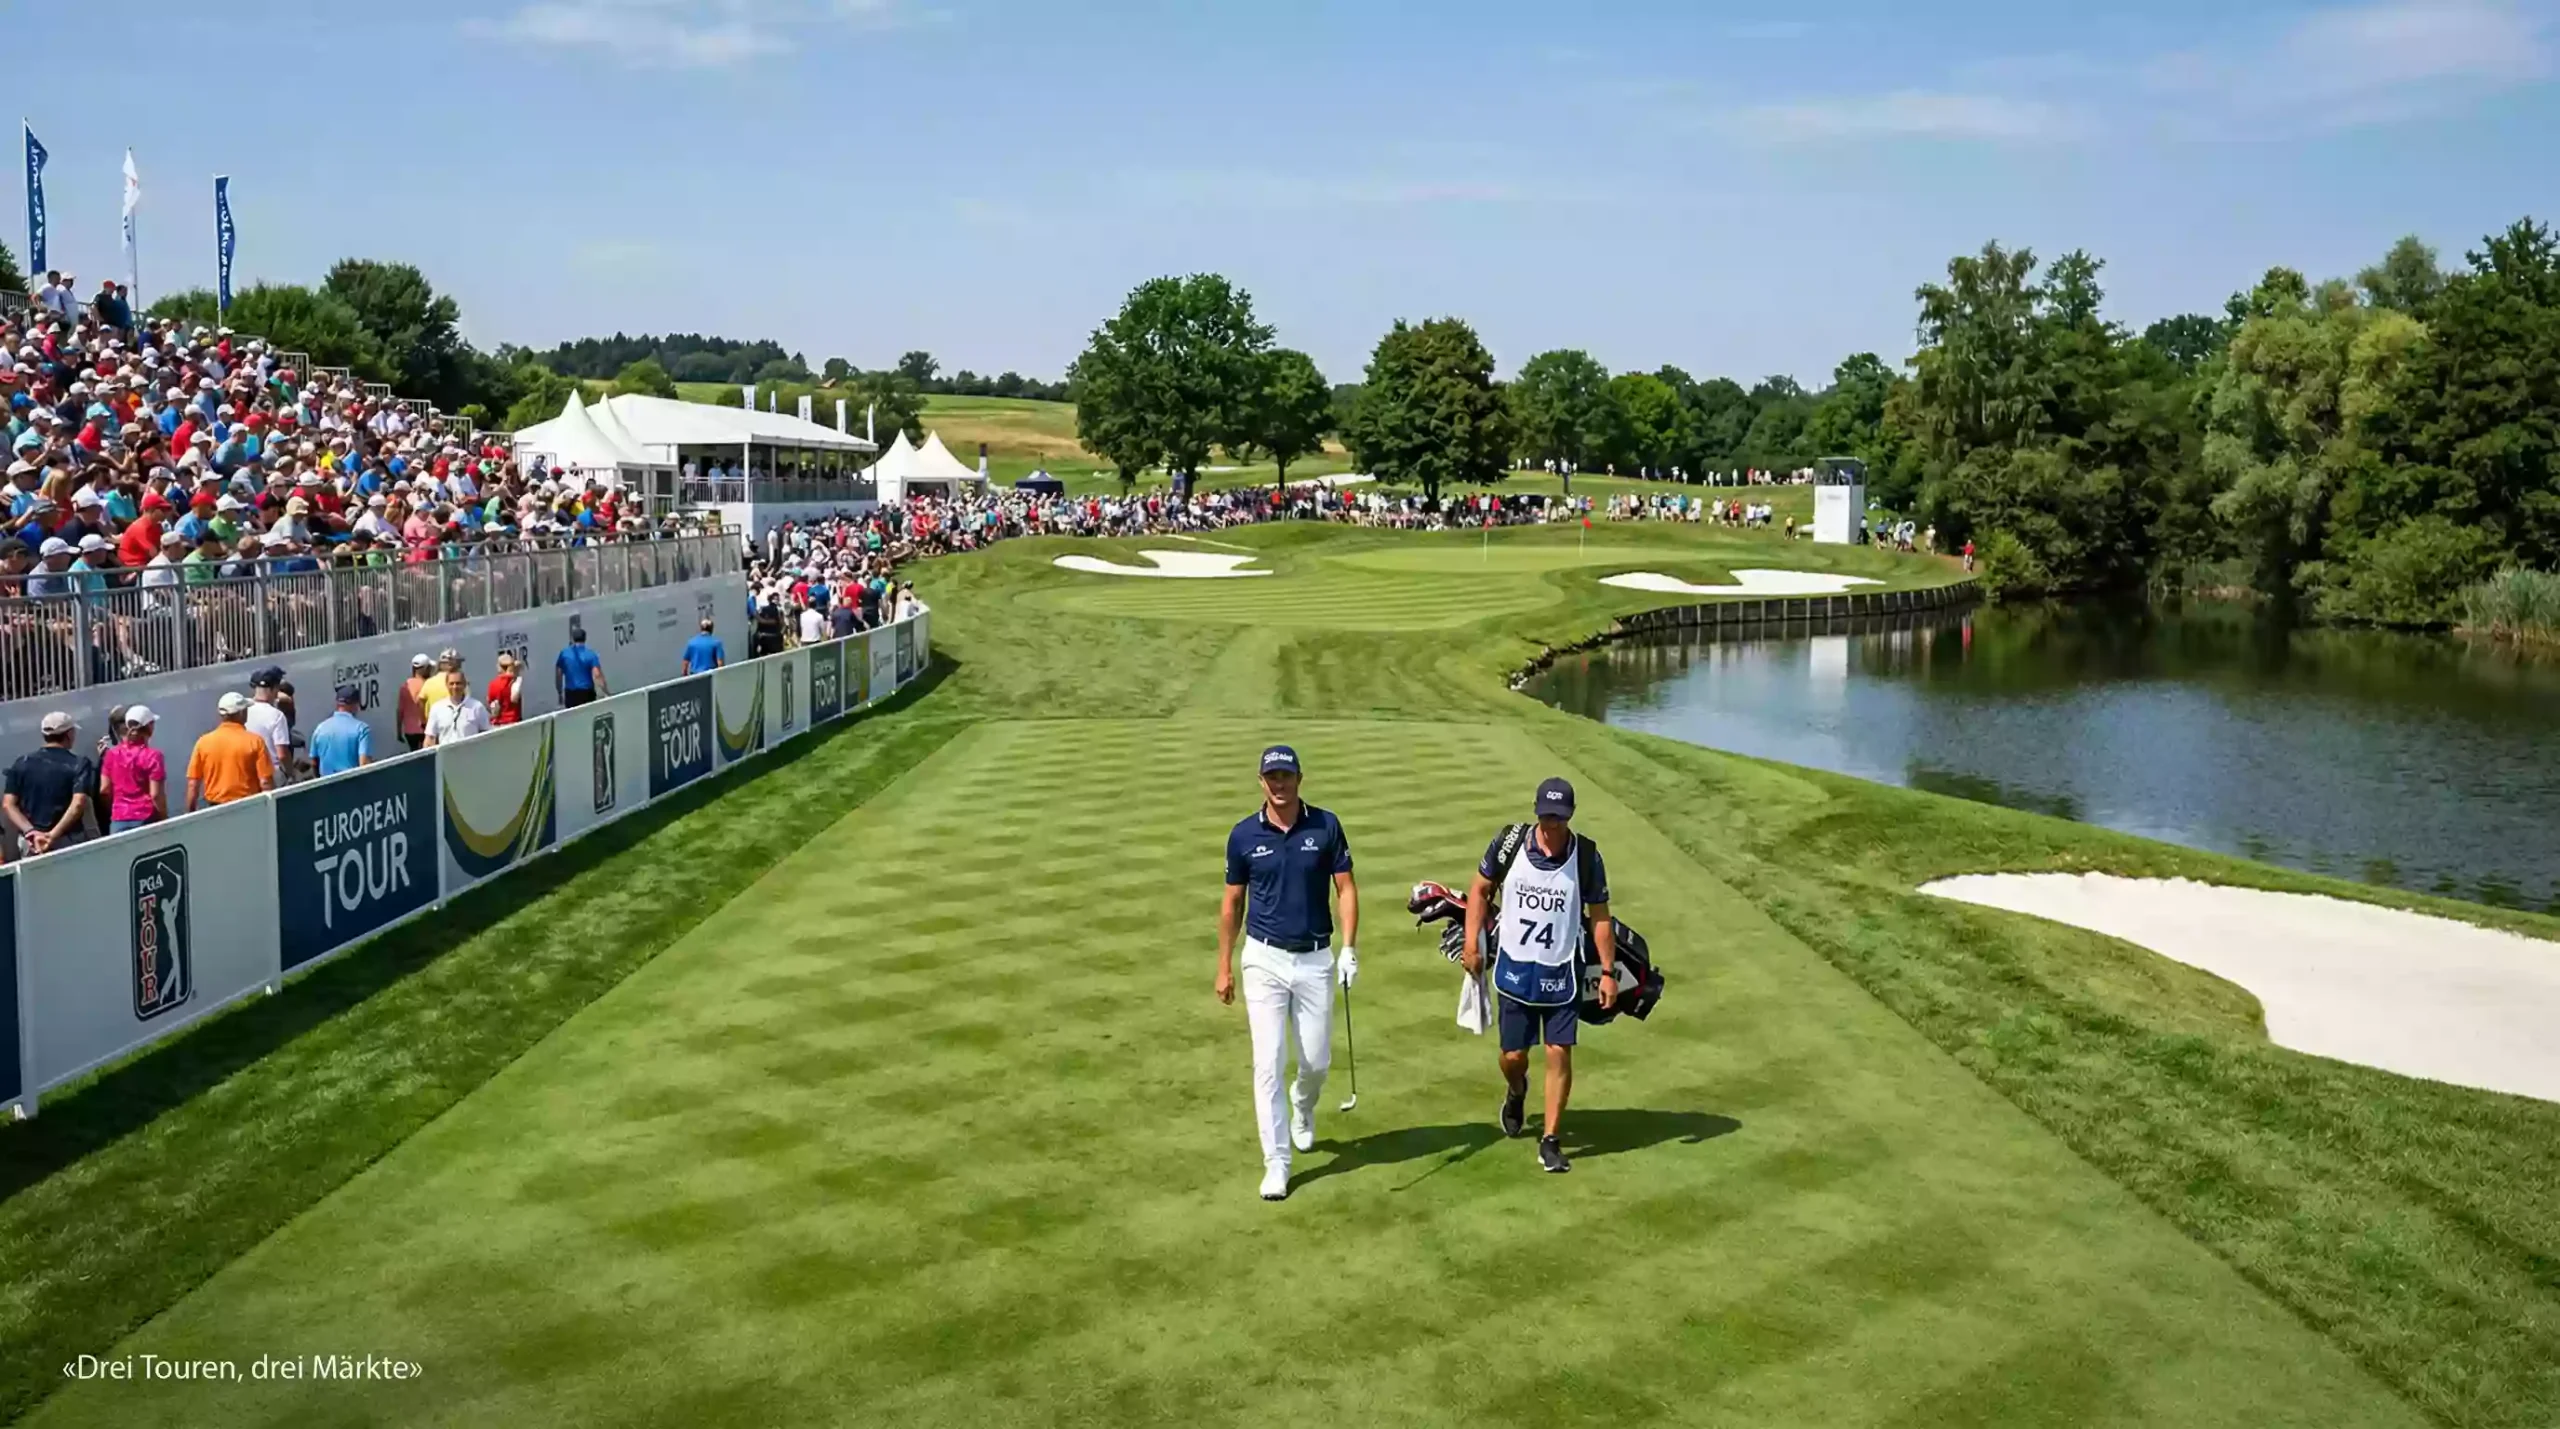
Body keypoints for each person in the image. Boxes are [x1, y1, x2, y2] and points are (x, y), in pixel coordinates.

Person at [1215, 745, 1359, 1202]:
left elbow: (1346, 889)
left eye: (1286, 776)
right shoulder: (1243, 835)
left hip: (1315, 958)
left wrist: (1349, 949)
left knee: (1316, 1062)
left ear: (1300, 778)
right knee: (1268, 1063)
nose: (1279, 784)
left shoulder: (1326, 825)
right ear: (1261, 781)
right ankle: (1276, 1163)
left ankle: (1303, 1103)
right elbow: (1232, 903)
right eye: (1272, 777)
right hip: (1263, 959)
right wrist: (1224, 966)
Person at [1460, 777, 1618, 1175]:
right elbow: (1479, 889)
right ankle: (1517, 1090)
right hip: (1514, 968)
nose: (1552, 825)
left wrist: (1607, 972)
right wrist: (1472, 943)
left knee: (1558, 1051)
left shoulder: (1587, 857)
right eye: (1546, 817)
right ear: (1536, 812)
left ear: (1570, 816)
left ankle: (1550, 1140)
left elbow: (1600, 917)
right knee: (1513, 1057)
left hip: (1563, 971)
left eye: (1559, 818)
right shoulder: (1509, 843)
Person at [5, 712, 98, 857]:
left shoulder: (21, 763)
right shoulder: (79, 764)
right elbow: (78, 803)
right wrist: (51, 836)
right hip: (67, 839)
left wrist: (30, 831)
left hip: (32, 842)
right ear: (69, 734)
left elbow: (8, 804)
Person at [186, 692, 276, 810]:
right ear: (241, 713)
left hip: (215, 808)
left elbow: (193, 784)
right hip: (249, 806)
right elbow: (265, 782)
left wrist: (190, 812)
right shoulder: (255, 741)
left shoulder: (203, 742)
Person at [99, 705, 166, 833]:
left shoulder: (111, 754)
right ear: (149, 727)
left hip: (118, 819)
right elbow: (156, 795)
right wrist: (164, 818)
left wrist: (115, 808)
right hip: (146, 817)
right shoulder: (153, 756)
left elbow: (104, 789)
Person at [307, 685, 374, 777]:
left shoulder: (320, 728)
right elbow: (364, 764)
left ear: (337, 704)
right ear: (356, 705)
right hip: (352, 783)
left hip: (326, 783)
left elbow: (314, 762)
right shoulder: (362, 729)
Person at [247, 668, 295, 785]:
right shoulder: (277, 716)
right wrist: (291, 774)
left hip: (249, 772)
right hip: (272, 774)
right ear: (275, 689)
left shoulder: (243, 711)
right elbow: (282, 754)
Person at [423, 670, 490, 746]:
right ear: (446, 685)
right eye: (451, 684)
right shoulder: (437, 708)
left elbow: (485, 734)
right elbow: (430, 737)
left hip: (470, 752)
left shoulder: (477, 707)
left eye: (458, 683)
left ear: (464, 684)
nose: (455, 687)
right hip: (446, 752)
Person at [556, 621, 606, 707]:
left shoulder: (564, 654)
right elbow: (597, 675)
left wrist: (560, 692)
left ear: (573, 639)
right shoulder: (591, 654)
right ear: (585, 638)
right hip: (587, 693)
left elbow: (558, 674)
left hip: (570, 694)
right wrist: (605, 692)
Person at [487, 651, 524, 726]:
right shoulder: (516, 681)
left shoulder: (493, 684)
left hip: (498, 723)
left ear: (499, 667)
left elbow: (490, 702)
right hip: (514, 722)